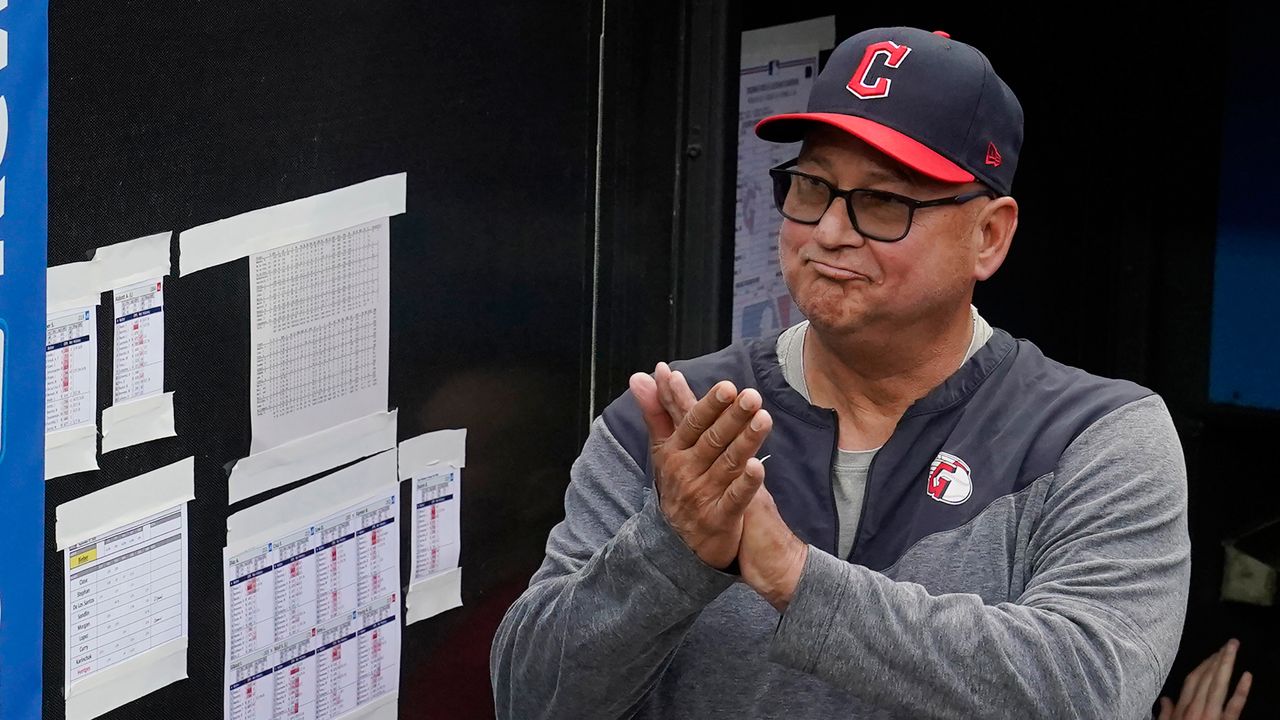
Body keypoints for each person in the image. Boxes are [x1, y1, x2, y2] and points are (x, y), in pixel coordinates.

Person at [491, 26, 1190, 718]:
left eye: (883, 200)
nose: (828, 230)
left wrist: (795, 578)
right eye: (811, 187)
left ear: (990, 235)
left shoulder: (1093, 439)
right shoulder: (681, 424)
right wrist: (669, 551)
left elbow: (1091, 693)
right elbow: (530, 699)